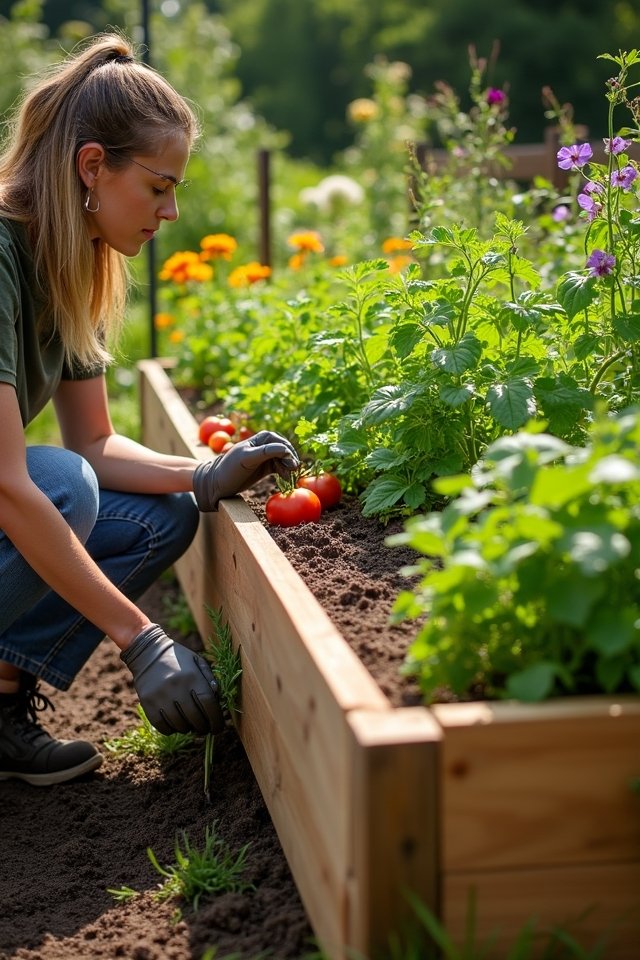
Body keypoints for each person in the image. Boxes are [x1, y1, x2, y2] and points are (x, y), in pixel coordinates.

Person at [0, 32, 299, 787]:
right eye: (158, 186)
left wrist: (202, 474)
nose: (169, 212)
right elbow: (11, 485)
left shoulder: (69, 260)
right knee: (60, 486)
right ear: (92, 165)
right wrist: (141, 642)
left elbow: (97, 440)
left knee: (159, 514)